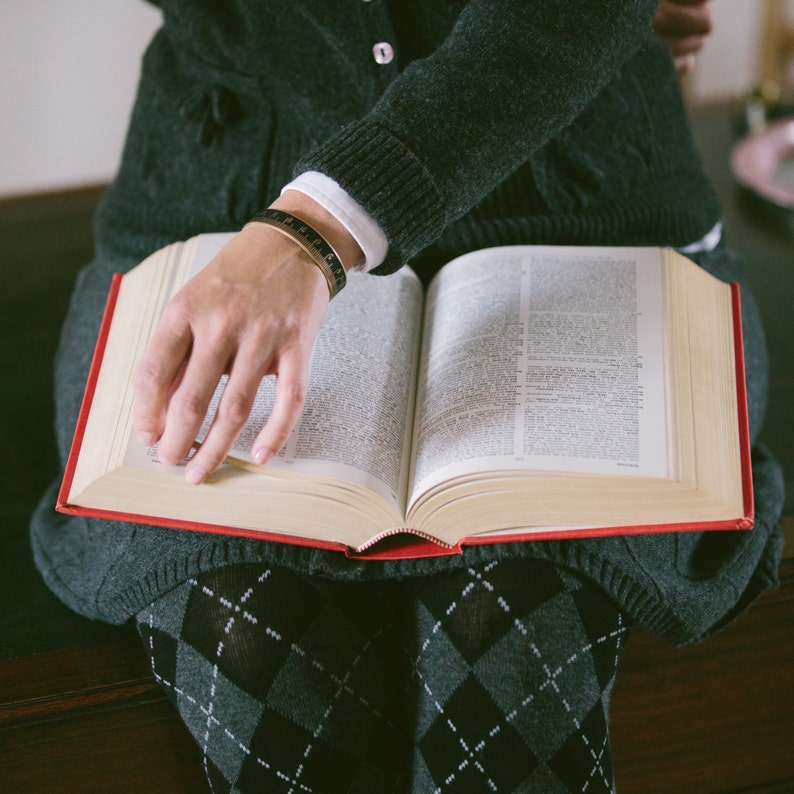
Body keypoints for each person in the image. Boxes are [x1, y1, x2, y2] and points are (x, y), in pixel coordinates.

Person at [31, 1, 784, 791]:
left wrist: (318, 226)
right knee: (249, 620)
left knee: (515, 611)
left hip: (588, 206)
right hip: (222, 219)